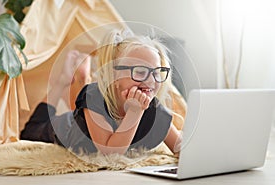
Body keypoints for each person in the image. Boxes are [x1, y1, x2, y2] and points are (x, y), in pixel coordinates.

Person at [20, 29, 185, 155]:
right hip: (67, 127)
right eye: (140, 72)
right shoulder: (94, 96)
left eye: (157, 73)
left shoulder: (153, 109)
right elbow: (110, 153)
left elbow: (180, 147)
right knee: (30, 131)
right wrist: (134, 112)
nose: (151, 81)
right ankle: (63, 80)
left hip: (83, 117)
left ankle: (75, 79)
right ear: (113, 74)